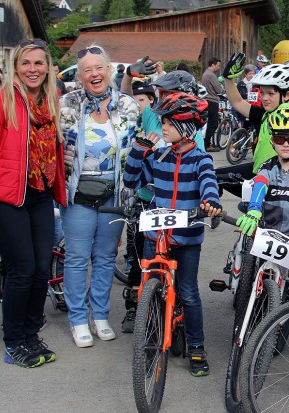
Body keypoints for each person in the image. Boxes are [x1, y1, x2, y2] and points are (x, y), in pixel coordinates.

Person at [0, 38, 66, 368]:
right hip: (7, 199)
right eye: (26, 63)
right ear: (16, 66)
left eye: (39, 63)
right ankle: (13, 341)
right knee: (22, 270)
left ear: (47, 67)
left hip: (40, 195)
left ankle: (30, 335)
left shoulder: (51, 100)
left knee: (41, 270)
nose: (33, 69)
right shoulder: (0, 101)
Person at [123, 92, 221, 377]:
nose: (162, 128)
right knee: (149, 285)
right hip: (156, 235)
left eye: (168, 123)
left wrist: (210, 202)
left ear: (187, 127)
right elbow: (131, 180)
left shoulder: (200, 159)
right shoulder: (160, 155)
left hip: (187, 236)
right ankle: (150, 327)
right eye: (162, 122)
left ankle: (196, 346)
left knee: (189, 292)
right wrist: (139, 150)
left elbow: (208, 183)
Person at [59, 45, 140, 348]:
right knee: (78, 259)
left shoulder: (128, 105)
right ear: (79, 76)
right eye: (87, 70)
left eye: (99, 67)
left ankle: (100, 315)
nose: (94, 74)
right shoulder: (67, 104)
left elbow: (135, 150)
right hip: (78, 191)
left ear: (109, 70)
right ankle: (79, 319)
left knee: (106, 257)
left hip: (115, 193)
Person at [236, 106, 289, 301]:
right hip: (269, 234)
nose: (286, 144)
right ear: (272, 141)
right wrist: (254, 211)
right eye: (280, 139)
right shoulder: (267, 166)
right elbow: (259, 188)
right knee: (254, 284)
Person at [120, 81, 157, 334]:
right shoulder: (140, 121)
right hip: (144, 199)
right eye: (138, 100)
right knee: (137, 259)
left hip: (171, 205)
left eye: (144, 99)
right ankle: (132, 308)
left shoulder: (174, 118)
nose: (140, 104)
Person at [222, 53, 289, 173]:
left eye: (270, 94)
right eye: (262, 93)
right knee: (218, 176)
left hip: (278, 180)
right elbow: (237, 102)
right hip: (259, 173)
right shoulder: (263, 114)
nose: (264, 98)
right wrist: (228, 78)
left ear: (287, 95)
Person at [202, 57, 222, 152]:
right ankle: (207, 144)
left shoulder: (205, 74)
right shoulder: (211, 75)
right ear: (213, 64)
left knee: (209, 123)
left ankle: (206, 142)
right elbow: (218, 89)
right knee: (213, 123)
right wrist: (222, 86)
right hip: (212, 100)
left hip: (206, 100)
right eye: (218, 66)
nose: (218, 68)